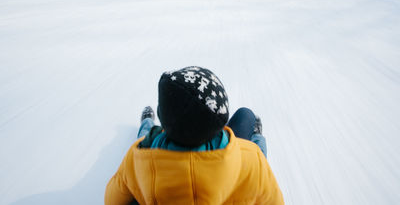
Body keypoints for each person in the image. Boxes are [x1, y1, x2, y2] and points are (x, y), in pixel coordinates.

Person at [105, 66, 284, 205]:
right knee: (246, 116)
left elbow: (111, 200)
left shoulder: (138, 157)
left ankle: (147, 121)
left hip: (156, 159)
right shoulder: (251, 157)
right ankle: (258, 134)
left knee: (146, 136)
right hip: (235, 167)